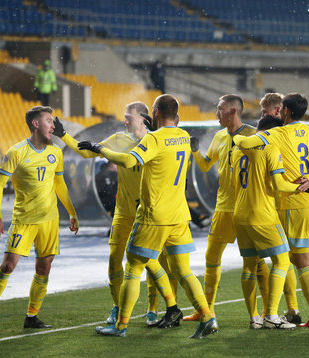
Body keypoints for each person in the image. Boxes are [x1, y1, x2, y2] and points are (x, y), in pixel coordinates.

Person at [79, 94, 218, 338]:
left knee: (133, 266)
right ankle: (207, 317)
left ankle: (119, 326)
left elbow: (128, 159)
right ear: (176, 115)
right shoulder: (183, 137)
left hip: (154, 214)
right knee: (184, 271)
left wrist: (100, 149)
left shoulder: (154, 138)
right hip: (179, 215)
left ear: (153, 112)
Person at [53, 102, 177, 328]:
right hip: (123, 212)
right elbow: (86, 151)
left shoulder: (156, 140)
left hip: (147, 213)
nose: (125, 121)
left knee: (152, 262)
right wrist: (64, 135)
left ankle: (153, 309)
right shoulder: (119, 140)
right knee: (114, 261)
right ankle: (118, 307)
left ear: (143, 118)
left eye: (129, 117)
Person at [234, 92, 309, 328]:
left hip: (291, 203)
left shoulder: (275, 134)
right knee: (302, 257)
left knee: (296, 260)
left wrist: (248, 137)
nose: (266, 115)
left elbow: (243, 143)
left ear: (284, 111)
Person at [0, 106, 79, 331]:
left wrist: (71, 212)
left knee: (44, 269)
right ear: (35, 124)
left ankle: (31, 317)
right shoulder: (16, 152)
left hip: (49, 220)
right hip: (24, 220)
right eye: (49, 121)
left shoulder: (56, 153)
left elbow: (59, 184)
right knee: (8, 266)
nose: (54, 125)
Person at [231, 115, 309, 329]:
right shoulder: (270, 148)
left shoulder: (237, 150)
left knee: (249, 266)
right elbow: (277, 184)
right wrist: (299, 186)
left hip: (240, 213)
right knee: (282, 261)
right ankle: (272, 316)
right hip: (262, 214)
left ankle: (254, 318)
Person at [184, 94, 261, 321]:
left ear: (233, 111)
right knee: (212, 257)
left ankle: (262, 313)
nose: (216, 114)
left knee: (255, 263)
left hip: (248, 208)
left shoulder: (253, 135)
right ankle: (206, 309)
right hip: (223, 207)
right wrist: (196, 151)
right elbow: (207, 165)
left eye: (220, 109)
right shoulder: (219, 136)